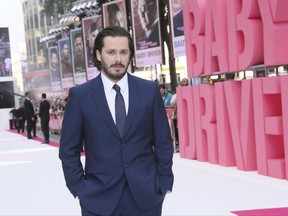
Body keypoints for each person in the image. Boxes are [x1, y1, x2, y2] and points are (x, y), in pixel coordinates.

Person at [59, 26, 174, 216]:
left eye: (123, 52)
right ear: (98, 54)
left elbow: (163, 142)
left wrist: (163, 183)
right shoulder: (81, 96)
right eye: (111, 52)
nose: (118, 59)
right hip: (98, 198)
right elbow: (68, 149)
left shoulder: (149, 91)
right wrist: (80, 189)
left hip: (147, 197)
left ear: (130, 54)